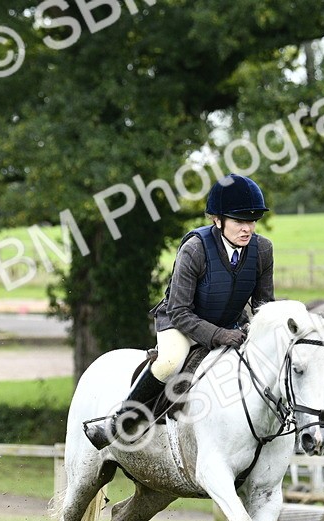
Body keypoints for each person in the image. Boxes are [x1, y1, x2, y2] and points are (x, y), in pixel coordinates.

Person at [85, 174, 274, 449]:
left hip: (229, 325)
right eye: (239, 221)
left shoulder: (263, 250)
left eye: (252, 220)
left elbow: (263, 306)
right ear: (217, 220)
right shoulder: (195, 249)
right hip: (180, 322)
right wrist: (219, 334)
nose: (247, 228)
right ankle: (121, 420)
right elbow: (180, 310)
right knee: (171, 362)